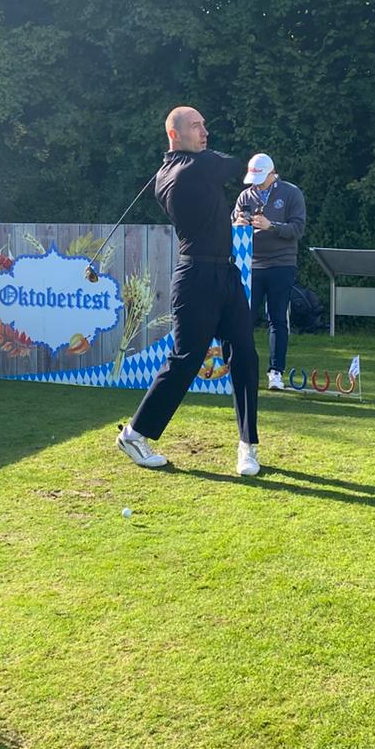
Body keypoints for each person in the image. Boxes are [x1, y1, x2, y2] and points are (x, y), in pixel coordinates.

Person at [116, 107, 261, 476]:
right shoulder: (193, 168)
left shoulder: (171, 170)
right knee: (185, 359)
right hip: (196, 277)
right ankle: (134, 434)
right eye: (196, 126)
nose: (205, 132)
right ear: (174, 134)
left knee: (245, 353)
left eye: (204, 125)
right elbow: (235, 165)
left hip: (225, 273)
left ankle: (247, 445)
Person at [232, 154, 307, 391]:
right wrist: (238, 225)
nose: (256, 184)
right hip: (252, 264)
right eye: (253, 179)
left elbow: (298, 229)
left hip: (282, 263)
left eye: (261, 178)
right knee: (244, 318)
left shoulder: (291, 193)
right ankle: (243, 369)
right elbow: (232, 224)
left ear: (272, 174)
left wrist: (271, 226)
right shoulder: (245, 195)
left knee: (277, 318)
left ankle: (276, 372)